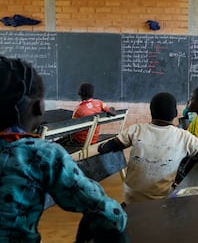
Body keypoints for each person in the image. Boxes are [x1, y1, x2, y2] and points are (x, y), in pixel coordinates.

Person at [0, 56, 126, 242]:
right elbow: (109, 214)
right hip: (91, 138)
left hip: (80, 137)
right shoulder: (40, 153)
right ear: (37, 108)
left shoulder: (79, 110)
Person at [98, 92, 198, 204]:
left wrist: (102, 146)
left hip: (131, 199)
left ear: (151, 112)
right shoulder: (184, 137)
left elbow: (105, 148)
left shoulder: (136, 130)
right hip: (162, 201)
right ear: (175, 113)